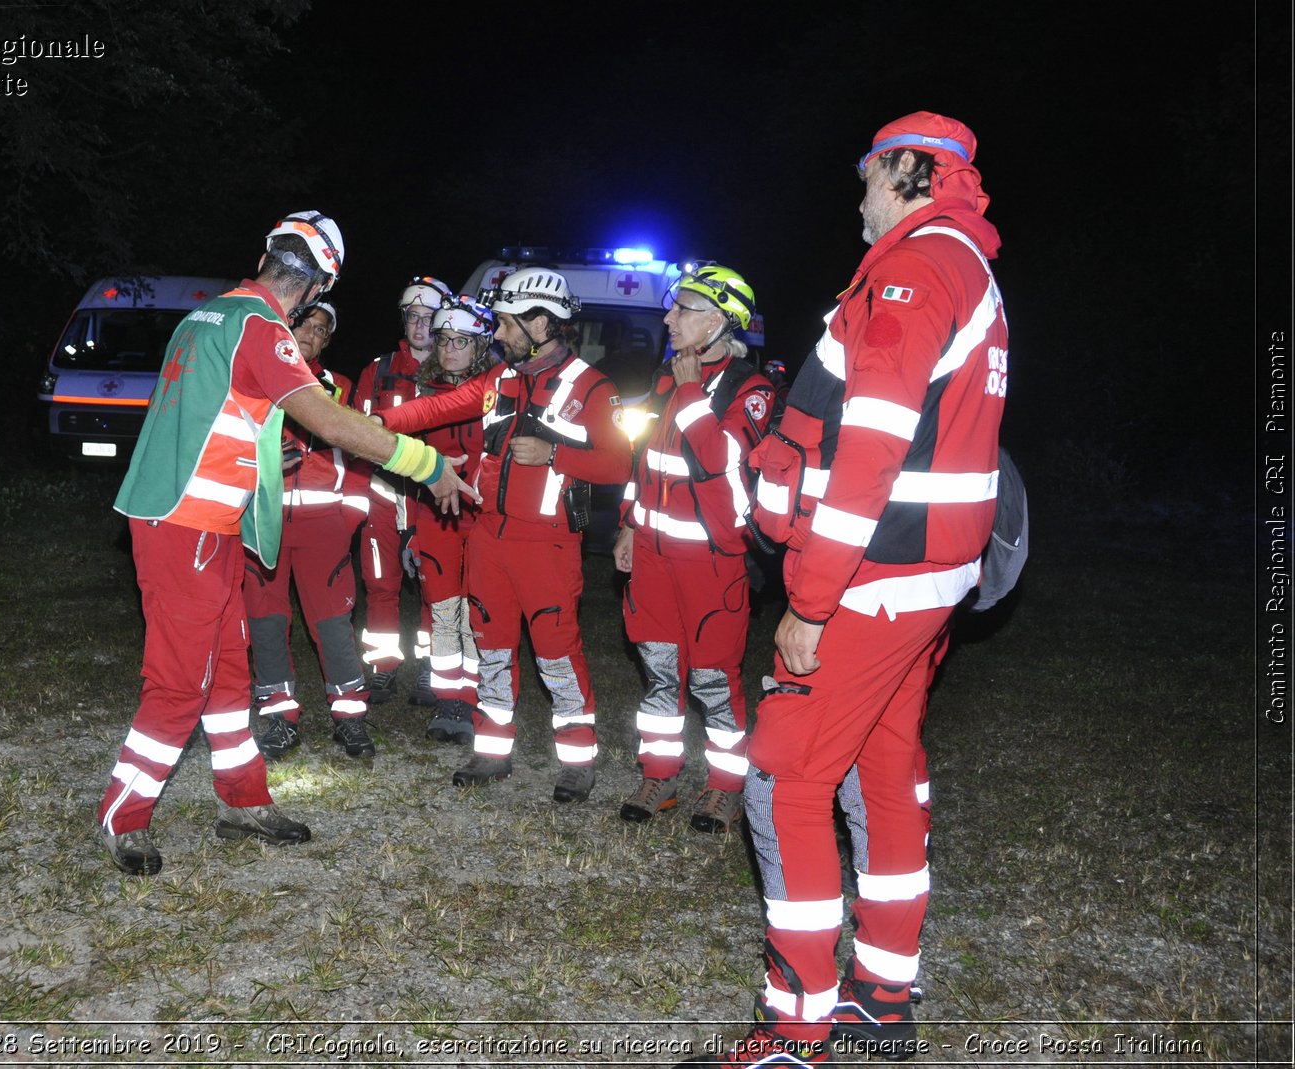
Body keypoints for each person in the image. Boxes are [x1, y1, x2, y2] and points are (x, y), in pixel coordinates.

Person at [680, 112, 1008, 1067]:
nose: (858, 192)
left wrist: (812, 598)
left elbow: (871, 445)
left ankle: (795, 1027)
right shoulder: (961, 261)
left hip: (879, 574)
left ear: (910, 170)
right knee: (883, 767)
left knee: (784, 779)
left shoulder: (917, 265)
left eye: (869, 174)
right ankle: (881, 992)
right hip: (928, 574)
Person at [95, 212, 474, 877]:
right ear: (318, 282)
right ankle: (123, 817)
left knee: (230, 674)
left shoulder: (208, 315)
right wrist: (426, 463)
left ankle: (242, 802)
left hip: (197, 524)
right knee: (180, 683)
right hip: (185, 525)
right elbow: (326, 420)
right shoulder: (259, 327)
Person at [377, 267, 631, 803]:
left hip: (549, 545)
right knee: (491, 648)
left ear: (541, 322)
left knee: (556, 653)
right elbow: (439, 406)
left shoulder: (592, 385)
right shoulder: (500, 379)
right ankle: (493, 749)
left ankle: (578, 761)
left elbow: (618, 464)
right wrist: (371, 424)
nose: (496, 334)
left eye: (508, 323)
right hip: (488, 539)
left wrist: (556, 453)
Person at [612, 263, 773, 834]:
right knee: (659, 670)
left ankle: (726, 786)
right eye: (673, 307)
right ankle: (660, 774)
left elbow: (714, 459)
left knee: (711, 677)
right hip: (653, 556)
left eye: (684, 310)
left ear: (721, 321)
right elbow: (645, 460)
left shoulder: (750, 390)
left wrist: (687, 391)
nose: (669, 317)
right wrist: (630, 523)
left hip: (712, 563)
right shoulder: (665, 378)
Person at [244, 301, 378, 761]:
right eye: (305, 324)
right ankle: (280, 716)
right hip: (265, 522)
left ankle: (350, 716)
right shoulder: (256, 379)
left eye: (322, 331)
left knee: (332, 621)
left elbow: (362, 454)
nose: (312, 335)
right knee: (265, 618)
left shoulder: (339, 389)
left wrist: (351, 516)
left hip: (325, 527)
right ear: (286, 325)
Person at [351, 277, 454, 706]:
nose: (419, 326)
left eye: (429, 318)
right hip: (382, 491)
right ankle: (383, 669)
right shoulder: (378, 370)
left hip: (432, 498)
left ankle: (432, 672)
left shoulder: (456, 372)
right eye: (412, 317)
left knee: (436, 587)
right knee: (380, 584)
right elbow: (354, 430)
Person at [404, 294, 500, 744]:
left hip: (479, 516)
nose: (449, 349)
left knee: (474, 610)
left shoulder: (498, 392)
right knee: (442, 610)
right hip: (434, 515)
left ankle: (477, 695)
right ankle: (450, 699)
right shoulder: (422, 391)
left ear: (480, 344)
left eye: (461, 340)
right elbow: (397, 456)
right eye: (443, 339)